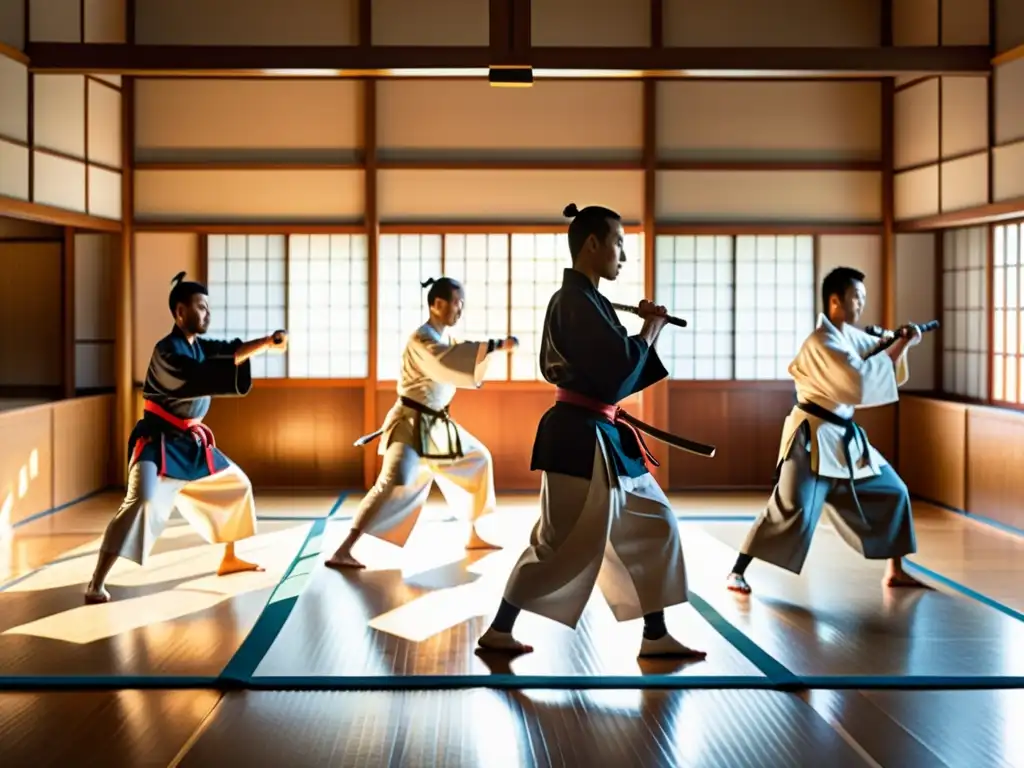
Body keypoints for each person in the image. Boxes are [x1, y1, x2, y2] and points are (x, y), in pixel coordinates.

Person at [477, 203, 707, 659]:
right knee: (556, 544)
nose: (623, 253)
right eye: (619, 242)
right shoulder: (574, 301)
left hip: (603, 435)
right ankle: (499, 629)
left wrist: (644, 334)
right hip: (577, 438)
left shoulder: (591, 301)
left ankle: (656, 635)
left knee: (655, 524)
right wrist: (650, 329)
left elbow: (620, 372)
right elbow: (617, 373)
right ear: (593, 243)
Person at [84, 272, 287, 604]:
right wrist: (240, 357)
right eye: (201, 307)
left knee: (236, 487)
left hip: (191, 444)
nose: (207, 314)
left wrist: (266, 342)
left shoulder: (200, 347)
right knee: (141, 500)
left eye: (208, 308)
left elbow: (231, 352)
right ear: (180, 312)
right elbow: (197, 377)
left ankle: (229, 558)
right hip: (158, 440)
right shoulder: (166, 351)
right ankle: (97, 580)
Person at [725, 266, 926, 594]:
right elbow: (858, 382)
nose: (861, 303)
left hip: (844, 438)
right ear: (835, 300)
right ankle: (737, 571)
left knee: (894, 492)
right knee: (792, 507)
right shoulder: (822, 342)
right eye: (856, 297)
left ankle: (896, 570)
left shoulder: (846, 335)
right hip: (811, 436)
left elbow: (875, 347)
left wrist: (900, 339)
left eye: (863, 297)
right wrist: (899, 347)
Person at [326, 277, 517, 569]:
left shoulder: (446, 340)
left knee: (478, 459)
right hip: (410, 422)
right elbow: (448, 361)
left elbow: (461, 354)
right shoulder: (422, 340)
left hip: (437, 427)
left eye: (462, 303)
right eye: (456, 302)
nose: (460, 309)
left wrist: (494, 348)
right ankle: (344, 548)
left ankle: (475, 534)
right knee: (394, 481)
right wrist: (493, 345)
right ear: (437, 304)